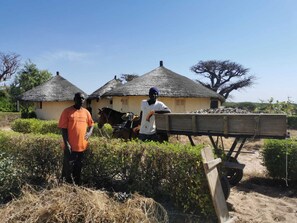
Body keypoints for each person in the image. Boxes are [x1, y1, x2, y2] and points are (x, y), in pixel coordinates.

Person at [58, 92, 94, 185]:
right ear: (74, 99)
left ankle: (76, 187)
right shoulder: (67, 111)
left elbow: (92, 124)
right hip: (70, 147)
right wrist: (67, 144)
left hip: (82, 147)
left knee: (78, 169)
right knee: (67, 169)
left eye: (82, 98)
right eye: (79, 98)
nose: (81, 100)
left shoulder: (86, 112)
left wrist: (89, 132)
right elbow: (63, 129)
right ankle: (65, 187)